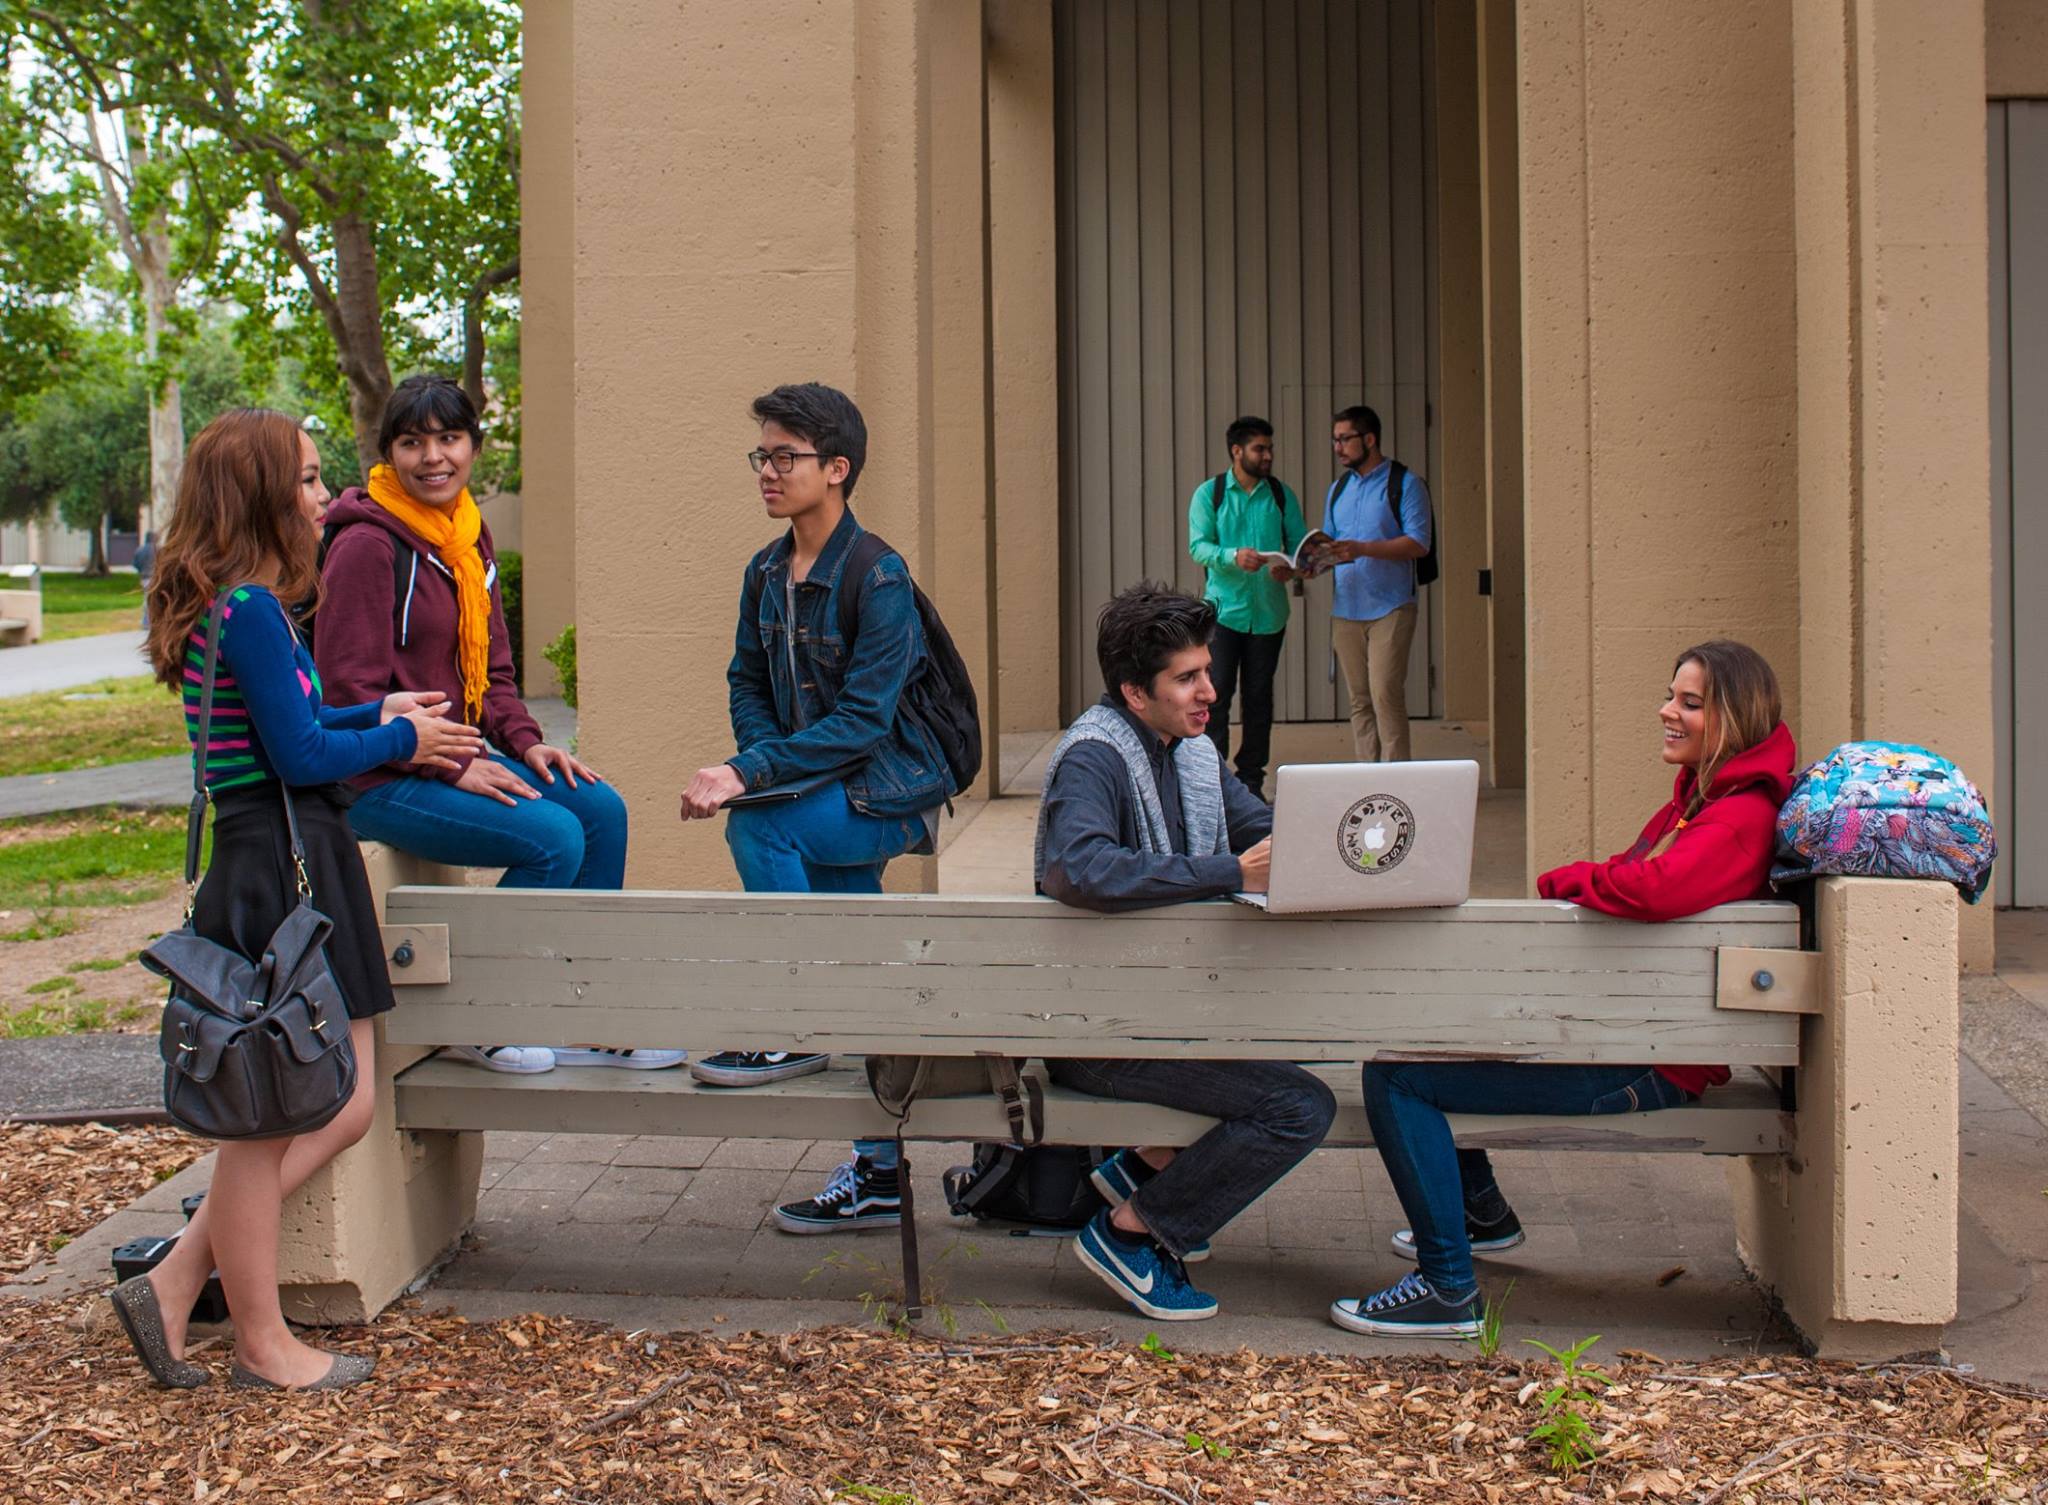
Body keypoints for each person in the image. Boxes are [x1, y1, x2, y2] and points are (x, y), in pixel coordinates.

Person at [114, 408, 484, 1390]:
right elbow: (300, 753)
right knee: (272, 1117)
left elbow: (307, 717)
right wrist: (400, 743)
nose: (326, 496)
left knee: (340, 1101)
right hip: (278, 864)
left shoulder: (242, 609)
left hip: (284, 853)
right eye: (311, 480)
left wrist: (382, 710)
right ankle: (260, 1341)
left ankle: (174, 1276)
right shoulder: (245, 608)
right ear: (265, 496)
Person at [1332, 640, 1795, 1338]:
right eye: (1672, 695)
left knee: (1397, 1080)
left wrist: (1569, 879)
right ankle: (1481, 1213)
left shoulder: (1739, 815)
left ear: (1735, 715)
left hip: (1648, 1062)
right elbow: (1642, 872)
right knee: (1441, 1032)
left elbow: (1654, 885)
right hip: (1637, 1033)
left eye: (1690, 702)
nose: (1668, 710)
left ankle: (1447, 1287)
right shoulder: (1709, 795)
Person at [315, 375, 682, 1075]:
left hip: (453, 751)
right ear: (388, 453)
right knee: (551, 836)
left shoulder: (465, 535)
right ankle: (477, 1013)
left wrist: (528, 743)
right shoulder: (365, 546)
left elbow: (496, 678)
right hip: (374, 773)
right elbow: (346, 694)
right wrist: (450, 764)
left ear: (473, 446)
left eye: (448, 438)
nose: (433, 457)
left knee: (600, 808)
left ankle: (588, 1015)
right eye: (412, 442)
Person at [679, 382, 956, 1234]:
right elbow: (747, 681)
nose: (768, 470)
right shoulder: (766, 572)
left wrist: (748, 775)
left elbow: (866, 723)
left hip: (892, 790)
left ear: (837, 470)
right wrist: (765, 766)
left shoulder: (879, 577)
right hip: (821, 790)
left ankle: (797, 1024)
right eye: (762, 454)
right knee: (865, 964)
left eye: (786, 456)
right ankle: (878, 1171)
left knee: (758, 825)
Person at [1036, 582, 1337, 1321]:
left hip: (1165, 1009)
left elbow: (1262, 830)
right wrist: (1232, 871)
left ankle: (1142, 1170)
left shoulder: (1192, 753)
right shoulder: (1093, 759)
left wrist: (1344, 845)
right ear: (1135, 692)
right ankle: (1133, 1233)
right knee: (1299, 1105)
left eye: (1208, 670)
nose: (1211, 689)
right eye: (1188, 677)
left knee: (1307, 1052)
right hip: (1098, 1031)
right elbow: (1080, 868)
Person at [1187, 416, 1308, 801]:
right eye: (1259, 448)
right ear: (1237, 451)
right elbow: (1198, 546)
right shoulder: (1211, 494)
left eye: (1269, 448)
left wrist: (1292, 568)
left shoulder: (1282, 495)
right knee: (1216, 695)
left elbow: (1299, 547)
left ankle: (1252, 781)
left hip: (1270, 615)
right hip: (1224, 614)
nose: (1268, 455)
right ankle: (1213, 781)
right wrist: (1231, 556)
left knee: (1260, 699)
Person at [1324, 405, 1431, 763]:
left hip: (1391, 606)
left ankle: (1396, 778)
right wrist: (1309, 564)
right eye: (1334, 440)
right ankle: (1366, 776)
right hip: (1346, 609)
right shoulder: (1337, 489)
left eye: (1345, 439)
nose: (1338, 447)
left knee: (1385, 693)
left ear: (1369, 439)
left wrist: (1363, 549)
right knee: (1360, 699)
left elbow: (1419, 542)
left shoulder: (1406, 484)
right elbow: (1334, 545)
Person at [134, 529, 158, 628]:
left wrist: (141, 571)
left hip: (144, 577)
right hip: (154, 576)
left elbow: (135, 563)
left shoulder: (140, 550)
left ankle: (147, 621)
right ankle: (148, 622)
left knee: (147, 597)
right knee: (150, 599)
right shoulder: (158, 549)